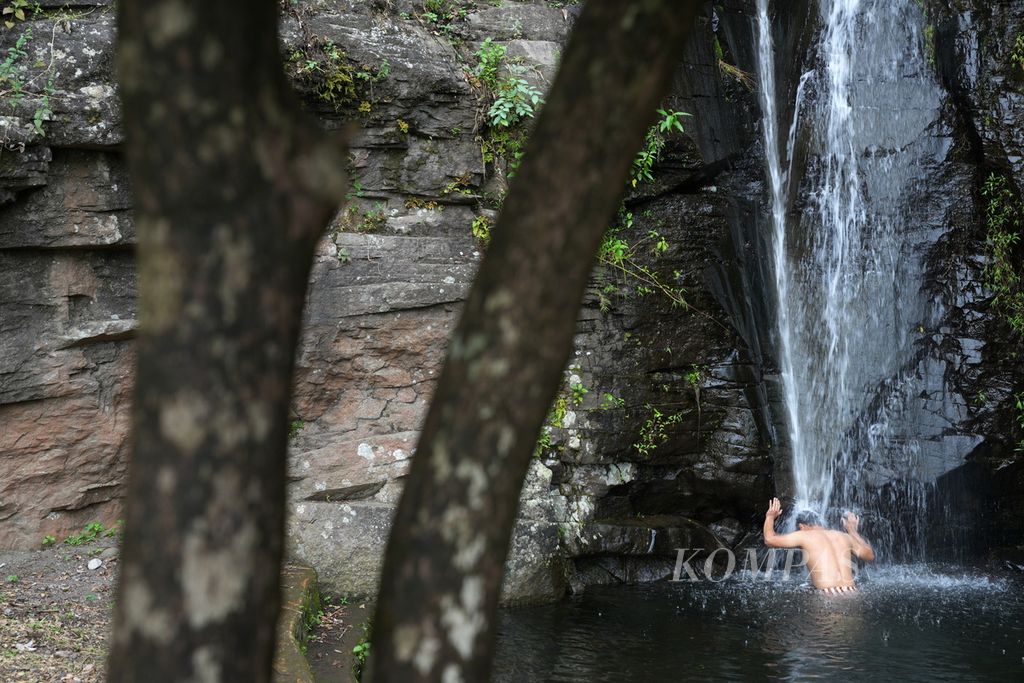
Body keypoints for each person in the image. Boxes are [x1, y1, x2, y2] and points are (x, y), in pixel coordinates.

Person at [763, 497, 875, 593]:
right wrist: (852, 530)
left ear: (802, 526)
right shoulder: (843, 536)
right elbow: (870, 555)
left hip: (829, 595)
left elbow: (769, 539)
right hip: (852, 592)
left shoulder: (804, 535)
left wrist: (770, 517)